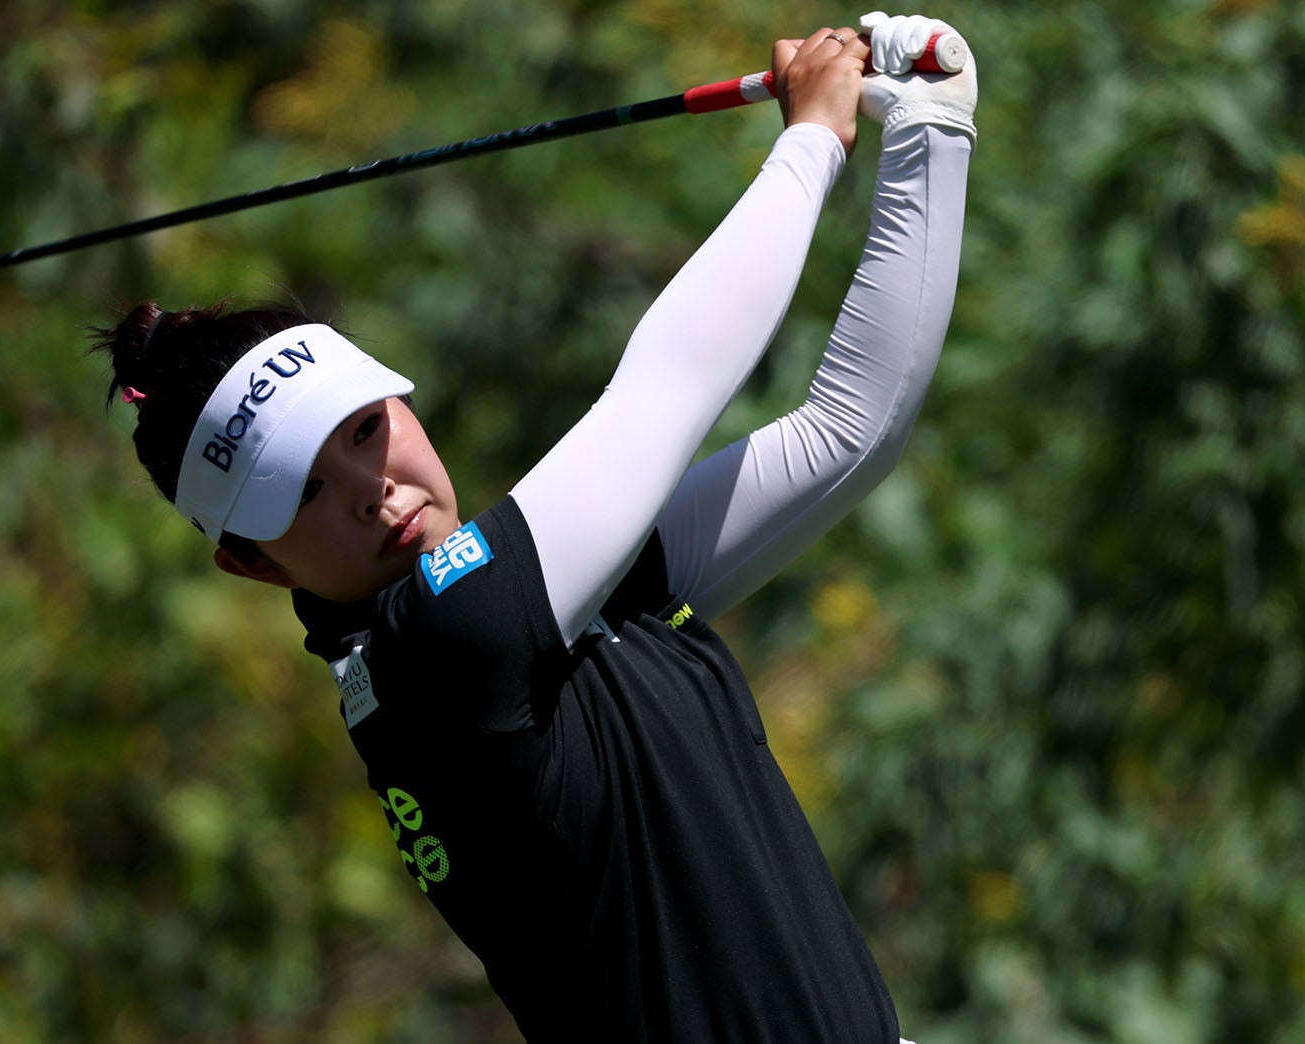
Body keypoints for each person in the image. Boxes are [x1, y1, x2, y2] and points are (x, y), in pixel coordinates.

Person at [91, 13, 975, 1042]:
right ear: (249, 565)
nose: (373, 489)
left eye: (366, 429)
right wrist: (811, 141)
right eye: (302, 493)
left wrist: (929, 131)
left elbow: (848, 429)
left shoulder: (559, 605)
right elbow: (668, 384)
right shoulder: (438, 649)